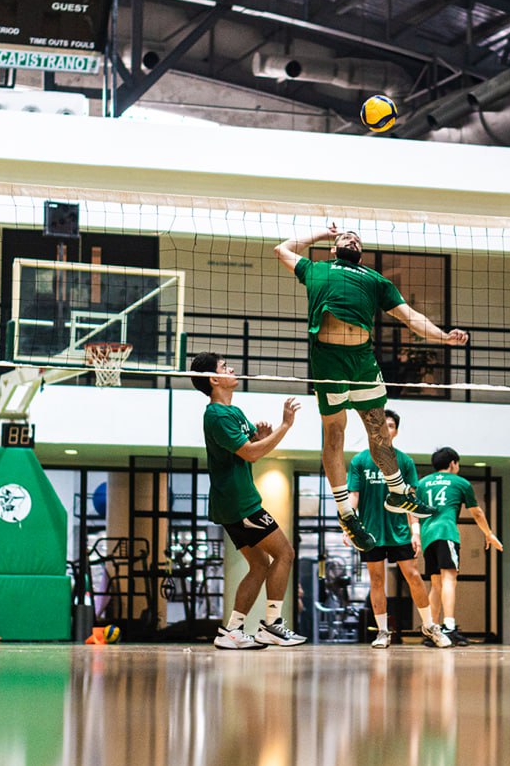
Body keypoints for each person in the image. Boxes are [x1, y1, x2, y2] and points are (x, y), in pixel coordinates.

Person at [274, 225, 468, 552]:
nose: (351, 238)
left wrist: (442, 335)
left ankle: (397, 493)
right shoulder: (316, 269)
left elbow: (411, 317)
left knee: (378, 430)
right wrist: (323, 234)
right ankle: (347, 514)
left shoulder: (375, 280)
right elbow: (281, 249)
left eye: (356, 238)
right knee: (334, 432)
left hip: (362, 359)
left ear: (361, 251)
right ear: (334, 250)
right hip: (329, 360)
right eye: (344, 238)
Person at [191, 351, 307, 650]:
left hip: (236, 502)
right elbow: (252, 454)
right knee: (285, 554)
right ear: (214, 379)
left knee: (259, 565)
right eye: (224, 367)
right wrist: (285, 426)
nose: (232, 369)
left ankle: (231, 630)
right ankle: (272, 625)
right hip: (239, 503)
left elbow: (251, 446)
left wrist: (261, 436)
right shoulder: (216, 416)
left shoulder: (234, 412)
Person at [346, 409, 451, 649]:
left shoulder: (404, 461)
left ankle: (430, 626)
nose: (385, 429)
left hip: (399, 531)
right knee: (376, 580)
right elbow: (353, 496)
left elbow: (411, 499)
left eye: (390, 425)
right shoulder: (359, 461)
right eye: (382, 425)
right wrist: (348, 526)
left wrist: (415, 530)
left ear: (395, 431)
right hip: (370, 532)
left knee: (413, 577)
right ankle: (383, 631)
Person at [415, 446, 502, 646]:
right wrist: (488, 534)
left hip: (428, 535)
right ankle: (449, 626)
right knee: (449, 579)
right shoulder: (460, 482)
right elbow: (477, 513)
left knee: (436, 584)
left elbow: (414, 511)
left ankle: (431, 629)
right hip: (446, 532)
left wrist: (416, 533)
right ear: (453, 463)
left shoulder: (422, 483)